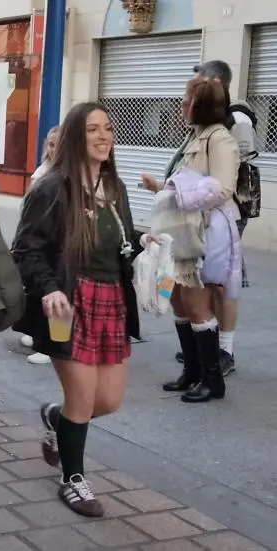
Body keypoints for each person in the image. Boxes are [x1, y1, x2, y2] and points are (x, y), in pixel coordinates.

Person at [12, 102, 141, 518]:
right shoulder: (53, 187)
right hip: (69, 303)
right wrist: (49, 290)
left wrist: (145, 243)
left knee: (108, 401)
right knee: (82, 401)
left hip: (111, 302)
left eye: (108, 128)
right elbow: (26, 249)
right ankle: (73, 478)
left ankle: (54, 418)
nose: (103, 137)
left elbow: (119, 238)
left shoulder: (114, 186)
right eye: (92, 131)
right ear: (74, 138)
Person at [143, 76, 241, 404]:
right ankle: (193, 371)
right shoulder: (196, 135)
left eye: (187, 98)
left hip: (201, 233)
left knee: (197, 303)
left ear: (201, 104)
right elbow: (186, 182)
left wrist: (176, 192)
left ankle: (212, 379)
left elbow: (223, 188)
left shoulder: (220, 139)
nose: (182, 104)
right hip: (181, 230)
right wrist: (162, 188)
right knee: (176, 298)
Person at [20, 124, 62, 366]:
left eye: (58, 144)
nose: (53, 148)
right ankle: (40, 334)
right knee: (39, 291)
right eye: (50, 144)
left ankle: (53, 344)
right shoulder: (44, 168)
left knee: (56, 291)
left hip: (55, 241)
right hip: (39, 237)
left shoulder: (66, 173)